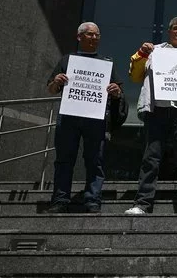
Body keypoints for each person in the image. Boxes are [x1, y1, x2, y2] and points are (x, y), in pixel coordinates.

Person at [124, 16, 177, 215]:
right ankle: (142, 203)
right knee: (150, 157)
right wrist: (140, 54)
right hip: (157, 110)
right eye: (176, 28)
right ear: (169, 31)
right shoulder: (154, 51)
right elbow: (135, 76)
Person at [45, 22, 123, 213]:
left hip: (95, 119)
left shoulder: (106, 63)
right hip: (69, 117)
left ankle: (92, 200)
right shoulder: (67, 60)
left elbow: (118, 91)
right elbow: (51, 89)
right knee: (64, 159)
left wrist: (116, 90)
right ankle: (60, 200)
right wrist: (56, 81)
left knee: (95, 160)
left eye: (97, 35)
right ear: (79, 37)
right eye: (90, 34)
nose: (94, 38)